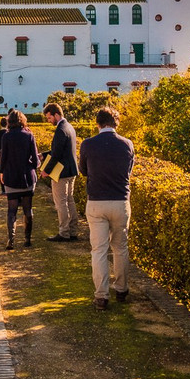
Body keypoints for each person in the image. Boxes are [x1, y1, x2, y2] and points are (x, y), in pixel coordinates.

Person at [77, 106, 136, 311]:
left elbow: (83, 170)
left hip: (97, 201)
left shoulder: (88, 144)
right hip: (120, 201)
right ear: (116, 123)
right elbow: (129, 170)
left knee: (99, 250)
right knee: (120, 248)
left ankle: (101, 296)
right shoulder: (127, 144)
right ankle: (121, 289)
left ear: (98, 123)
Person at [0, 109, 40, 249]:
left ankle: (11, 240)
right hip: (27, 176)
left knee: (12, 210)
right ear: (23, 120)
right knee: (28, 209)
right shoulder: (29, 135)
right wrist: (34, 167)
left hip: (11, 176)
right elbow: (35, 159)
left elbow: (3, 159)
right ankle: (27, 240)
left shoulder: (6, 136)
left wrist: (2, 172)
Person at [40, 102, 80, 242]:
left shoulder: (60, 129)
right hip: (71, 170)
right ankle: (73, 230)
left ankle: (64, 232)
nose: (49, 121)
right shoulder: (69, 127)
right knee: (70, 200)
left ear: (56, 115)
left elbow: (57, 154)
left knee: (61, 202)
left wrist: (46, 170)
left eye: (49, 118)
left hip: (61, 172)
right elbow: (61, 149)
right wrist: (44, 155)